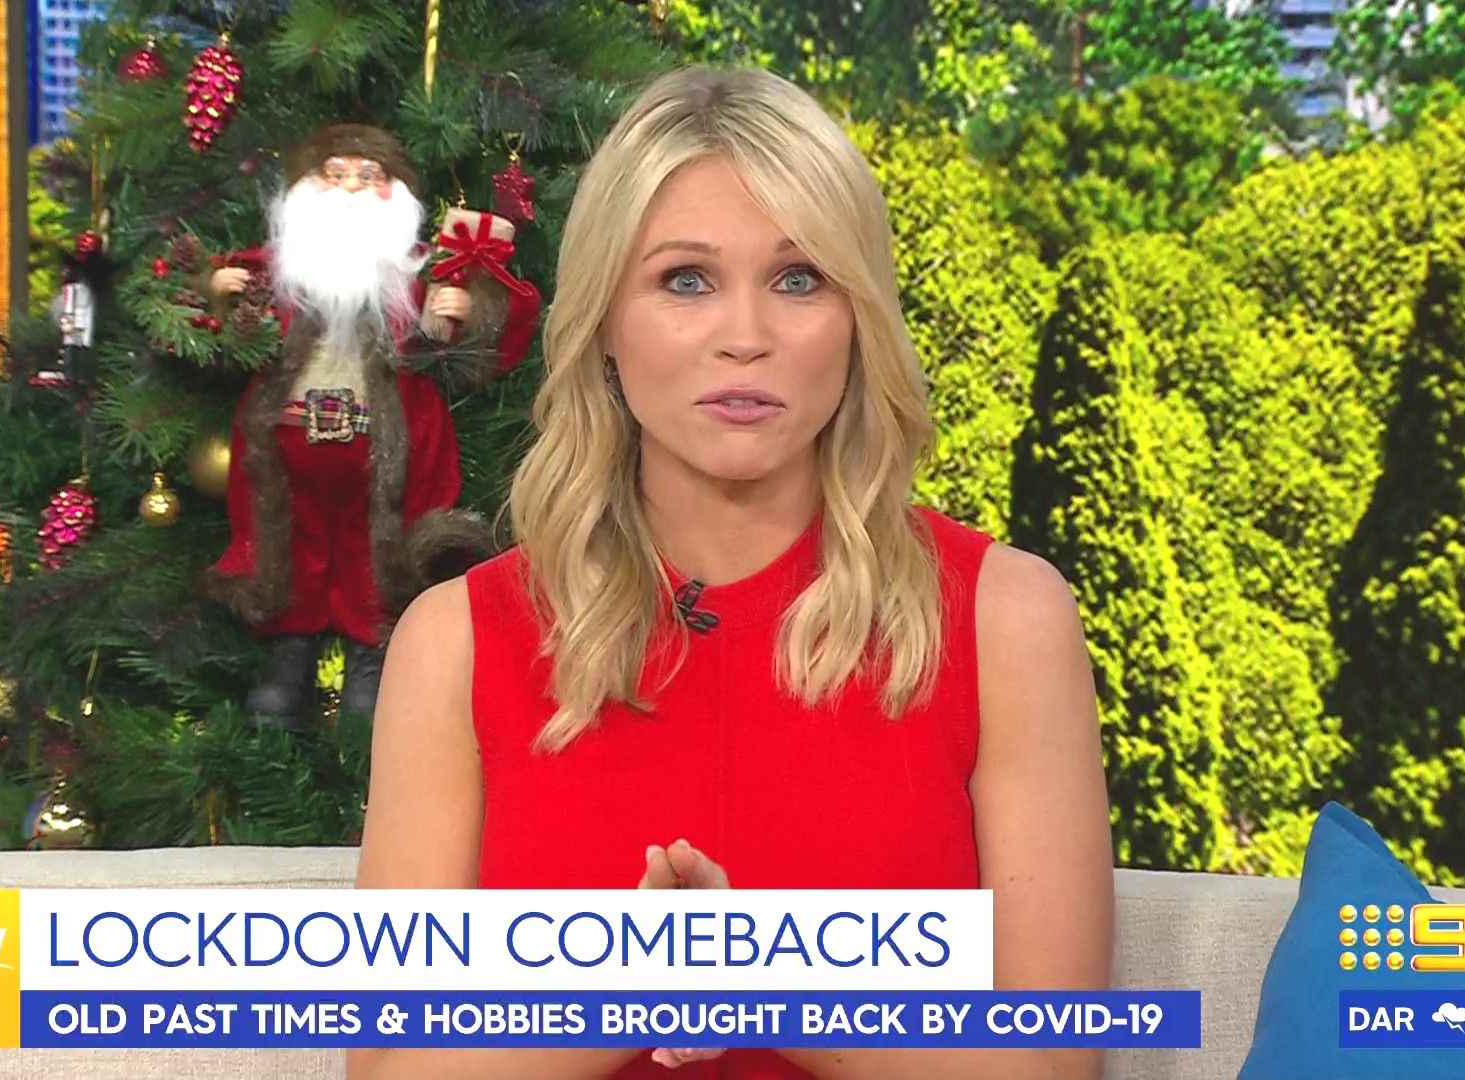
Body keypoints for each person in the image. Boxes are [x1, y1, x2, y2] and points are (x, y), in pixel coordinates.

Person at [351, 65, 1114, 1080]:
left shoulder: (1003, 618)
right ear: (605, 323)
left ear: (858, 320)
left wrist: (763, 978)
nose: (745, 338)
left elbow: (1052, 1065)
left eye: (799, 279)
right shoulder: (456, 642)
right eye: (686, 280)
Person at [199, 123, 538, 730]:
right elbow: (211, 325)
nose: (352, 188)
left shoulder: (413, 278)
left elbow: (471, 347)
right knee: (285, 547)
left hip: (384, 452)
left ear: (396, 194)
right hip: (286, 457)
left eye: (368, 176)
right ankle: (287, 657)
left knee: (377, 557)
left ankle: (373, 659)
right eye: (335, 175)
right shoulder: (282, 273)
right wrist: (218, 293)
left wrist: (463, 312)